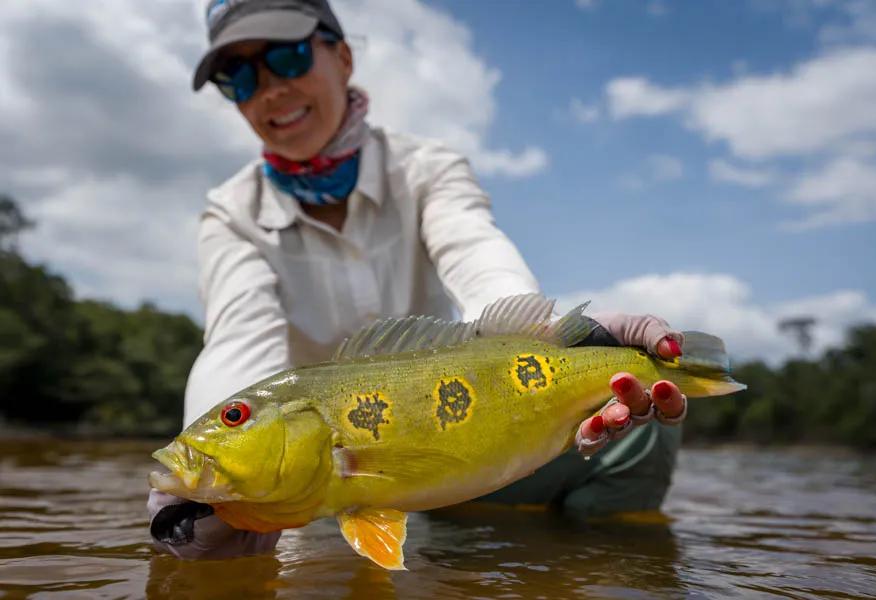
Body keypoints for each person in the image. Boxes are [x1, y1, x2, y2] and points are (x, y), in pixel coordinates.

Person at [149, 0, 688, 559]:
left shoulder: (427, 168)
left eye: (287, 57)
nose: (268, 90)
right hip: (319, 481)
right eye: (236, 76)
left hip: (462, 448)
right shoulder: (229, 214)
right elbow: (240, 340)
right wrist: (213, 488)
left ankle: (589, 565)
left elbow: (475, 253)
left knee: (637, 407)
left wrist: (563, 336)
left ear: (344, 56)